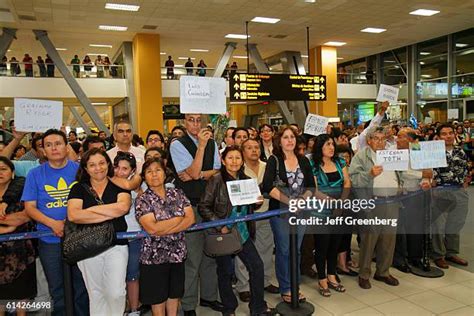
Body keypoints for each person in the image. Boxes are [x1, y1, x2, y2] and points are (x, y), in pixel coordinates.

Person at [22, 129, 89, 315]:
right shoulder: (34, 174)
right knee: (57, 290)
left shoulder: (80, 171)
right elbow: (30, 207)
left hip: (79, 237)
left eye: (58, 143)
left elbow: (90, 200)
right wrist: (53, 223)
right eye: (48, 145)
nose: (54, 148)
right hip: (49, 240)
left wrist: (69, 223)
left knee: (81, 287)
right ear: (43, 150)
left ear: (67, 147)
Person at [199, 146, 273, 316]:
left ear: (242, 161)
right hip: (223, 234)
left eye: (237, 158)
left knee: (257, 266)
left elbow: (251, 205)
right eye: (230, 158)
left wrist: (257, 202)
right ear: (223, 161)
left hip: (243, 232)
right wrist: (220, 225)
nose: (234, 161)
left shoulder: (246, 180)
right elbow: (204, 206)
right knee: (225, 271)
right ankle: (229, 307)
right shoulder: (216, 180)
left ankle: (257, 307)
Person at [67, 148, 131, 315]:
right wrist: (109, 212)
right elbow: (74, 215)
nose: (98, 168)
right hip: (88, 246)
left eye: (102, 163)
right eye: (92, 165)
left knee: (116, 292)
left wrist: (88, 213)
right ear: (86, 168)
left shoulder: (120, 185)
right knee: (95, 294)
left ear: (108, 164)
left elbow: (123, 207)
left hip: (116, 245)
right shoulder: (78, 188)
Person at [169, 114, 222, 315]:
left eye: (199, 120)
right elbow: (189, 172)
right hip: (189, 206)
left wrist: (199, 174)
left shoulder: (212, 142)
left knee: (211, 254)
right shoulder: (177, 144)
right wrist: (200, 148)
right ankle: (189, 304)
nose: (195, 124)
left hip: (210, 205)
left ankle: (209, 297)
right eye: (191, 120)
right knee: (192, 257)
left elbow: (216, 170)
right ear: (184, 122)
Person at [262, 126, 315, 303]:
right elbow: (268, 186)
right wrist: (289, 201)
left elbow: (310, 187)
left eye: (292, 137)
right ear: (280, 141)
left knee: (296, 250)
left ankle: (295, 285)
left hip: (301, 212)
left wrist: (302, 200)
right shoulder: (274, 160)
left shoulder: (304, 161)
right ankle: (286, 288)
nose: (290, 140)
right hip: (281, 212)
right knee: (284, 250)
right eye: (286, 137)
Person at [136, 158, 195, 316]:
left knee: (174, 294)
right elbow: (152, 228)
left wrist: (165, 225)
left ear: (165, 173)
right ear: (144, 177)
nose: (154, 174)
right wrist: (177, 220)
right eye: (149, 172)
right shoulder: (143, 199)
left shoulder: (177, 193)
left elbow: (190, 218)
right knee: (158, 299)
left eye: (158, 170)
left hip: (177, 253)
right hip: (154, 257)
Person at [349, 127, 401, 289]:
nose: (380, 142)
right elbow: (354, 179)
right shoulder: (362, 156)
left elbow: (401, 174)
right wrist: (369, 174)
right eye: (376, 138)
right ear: (369, 140)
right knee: (369, 240)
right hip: (373, 203)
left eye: (382, 138)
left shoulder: (391, 155)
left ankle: (383, 272)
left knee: (388, 240)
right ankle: (364, 274)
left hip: (392, 202)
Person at [234, 139, 279, 303]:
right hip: (245, 217)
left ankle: (265, 281)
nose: (254, 150)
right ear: (242, 151)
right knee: (243, 252)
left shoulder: (267, 166)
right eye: (249, 148)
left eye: (256, 147)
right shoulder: (237, 168)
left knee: (266, 249)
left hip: (265, 213)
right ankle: (244, 286)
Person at [310, 134, 351, 297]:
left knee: (335, 244)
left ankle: (332, 274)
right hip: (320, 210)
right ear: (320, 147)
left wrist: (341, 202)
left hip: (339, 207)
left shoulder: (340, 162)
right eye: (327, 144)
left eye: (332, 144)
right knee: (322, 245)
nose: (332, 147)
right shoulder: (313, 164)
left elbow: (347, 182)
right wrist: (331, 202)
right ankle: (322, 278)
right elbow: (314, 189)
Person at [392, 128, 432, 272]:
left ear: (409, 139)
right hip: (398, 195)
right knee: (398, 229)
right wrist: (422, 174)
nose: (397, 139)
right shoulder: (394, 152)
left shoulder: (417, 150)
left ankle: (415, 257)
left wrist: (426, 179)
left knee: (415, 227)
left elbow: (428, 169)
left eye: (401, 136)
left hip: (416, 194)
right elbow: (403, 172)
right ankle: (398, 259)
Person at [0, 157, 36, 315]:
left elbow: (26, 216)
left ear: (12, 173)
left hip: (20, 252)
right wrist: (7, 229)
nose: (0, 173)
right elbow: (14, 221)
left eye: (3, 169)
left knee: (22, 298)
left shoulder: (22, 190)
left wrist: (8, 221)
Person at [432, 124, 470, 268]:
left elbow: (466, 168)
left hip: (459, 191)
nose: (448, 136)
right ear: (438, 137)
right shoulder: (433, 153)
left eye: (450, 133)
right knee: (439, 225)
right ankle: (438, 254)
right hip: (441, 191)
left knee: (456, 223)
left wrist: (466, 180)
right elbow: (428, 171)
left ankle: (451, 253)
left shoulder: (460, 152)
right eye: (444, 134)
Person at [112, 152, 142, 316]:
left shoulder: (137, 185)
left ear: (132, 170)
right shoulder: (106, 183)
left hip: (133, 235)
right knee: (115, 278)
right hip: (113, 237)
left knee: (132, 275)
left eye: (125, 168)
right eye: (117, 167)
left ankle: (134, 310)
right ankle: (118, 310)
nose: (120, 171)